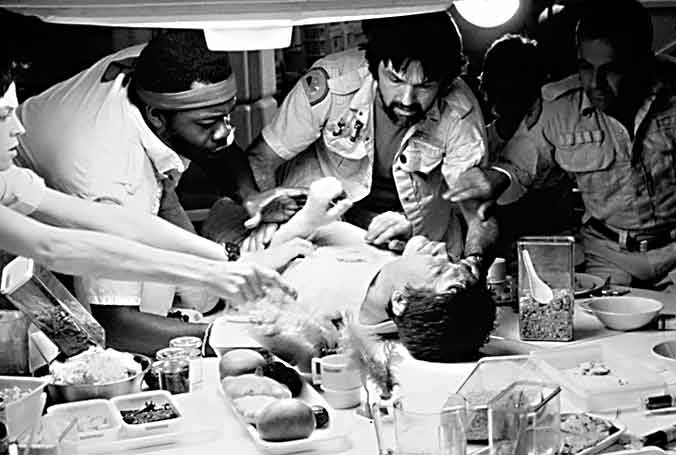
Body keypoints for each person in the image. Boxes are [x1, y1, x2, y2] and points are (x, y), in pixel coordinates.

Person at [0, 43, 298, 356]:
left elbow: (118, 222)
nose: (18, 127)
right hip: (58, 202)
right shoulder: (110, 177)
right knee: (29, 340)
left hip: (69, 174)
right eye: (3, 116)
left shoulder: (162, 66)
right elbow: (58, 250)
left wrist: (229, 258)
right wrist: (217, 308)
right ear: (156, 116)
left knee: (200, 295)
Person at [445, 0, 676, 290]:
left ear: (642, 62)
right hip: (609, 255)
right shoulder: (559, 107)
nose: (595, 83)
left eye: (611, 69)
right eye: (586, 67)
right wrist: (492, 179)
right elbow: (517, 167)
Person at [240, 10, 488, 260]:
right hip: (321, 235)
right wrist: (267, 216)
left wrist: (473, 263)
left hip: (417, 244)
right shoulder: (332, 82)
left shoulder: (460, 112)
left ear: (444, 84)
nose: (407, 99)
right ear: (373, 66)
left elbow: (478, 212)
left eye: (424, 86)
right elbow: (262, 158)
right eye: (395, 80)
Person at [206, 176, 497, 363]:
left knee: (221, 204)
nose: (443, 251)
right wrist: (398, 233)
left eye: (439, 270)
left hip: (241, 244)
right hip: (298, 218)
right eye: (454, 262)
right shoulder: (395, 274)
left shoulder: (325, 309)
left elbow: (233, 281)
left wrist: (304, 222)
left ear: (401, 300)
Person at [478, 34, 574, 268]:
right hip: (496, 255)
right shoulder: (479, 143)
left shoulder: (553, 135)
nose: (509, 102)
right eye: (501, 90)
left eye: (517, 91)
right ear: (487, 89)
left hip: (553, 250)